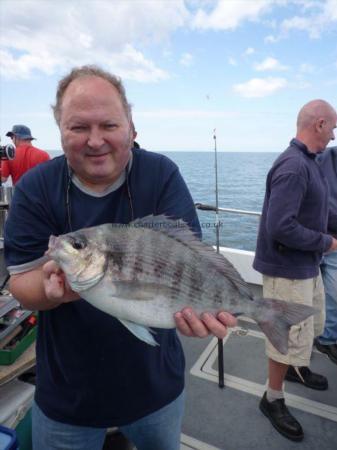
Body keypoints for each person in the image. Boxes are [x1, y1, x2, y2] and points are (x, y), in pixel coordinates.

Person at [4, 65, 237, 450]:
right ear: (59, 129)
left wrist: (205, 311)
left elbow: (191, 262)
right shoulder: (35, 188)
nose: (95, 141)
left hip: (156, 389)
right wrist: (53, 293)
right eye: (78, 127)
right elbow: (21, 283)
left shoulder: (161, 174)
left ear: (130, 126)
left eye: (109, 125)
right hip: (67, 397)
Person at [253, 99, 337, 442]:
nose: (333, 135)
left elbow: (316, 212)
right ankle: (272, 398)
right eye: (332, 127)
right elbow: (280, 227)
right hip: (287, 271)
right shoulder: (293, 166)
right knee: (285, 337)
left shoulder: (311, 162)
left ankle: (296, 371)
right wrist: (326, 243)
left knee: (310, 325)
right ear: (318, 124)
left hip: (305, 265)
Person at [314, 146, 337, 365]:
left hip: (327, 240)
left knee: (331, 296)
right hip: (317, 241)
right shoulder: (321, 158)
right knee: (309, 295)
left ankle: (326, 338)